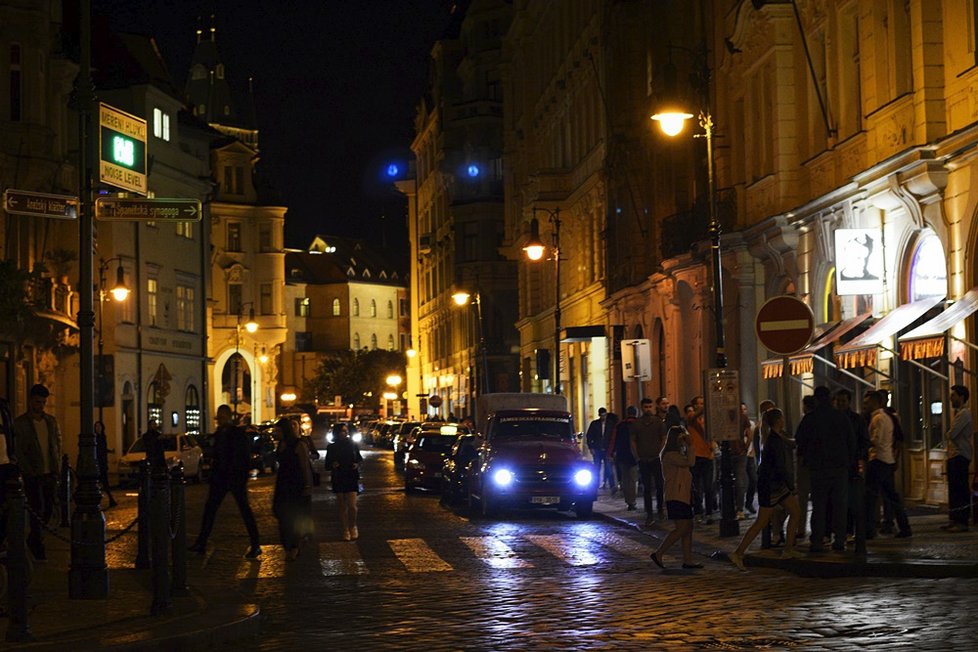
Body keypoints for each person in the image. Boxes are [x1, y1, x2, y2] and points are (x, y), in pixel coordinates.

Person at [729, 408, 804, 570]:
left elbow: (789, 445)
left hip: (774, 485)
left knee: (795, 512)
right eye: (782, 417)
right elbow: (779, 466)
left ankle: (788, 549)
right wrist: (790, 484)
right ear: (779, 420)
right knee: (761, 521)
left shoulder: (774, 437)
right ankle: (738, 553)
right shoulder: (774, 440)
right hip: (773, 486)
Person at [189, 404, 262, 558]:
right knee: (210, 510)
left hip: (234, 477)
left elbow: (244, 456)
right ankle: (201, 542)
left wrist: (241, 477)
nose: (220, 421)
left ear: (228, 417)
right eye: (219, 418)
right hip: (220, 478)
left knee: (244, 510)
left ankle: (256, 544)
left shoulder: (236, 434)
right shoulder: (220, 433)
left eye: (222, 417)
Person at [796, 386, 855, 552]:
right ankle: (840, 539)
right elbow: (851, 441)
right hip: (839, 467)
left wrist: (808, 457)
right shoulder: (840, 417)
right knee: (839, 505)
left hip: (818, 468)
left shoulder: (810, 419)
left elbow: (800, 440)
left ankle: (818, 540)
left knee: (819, 505)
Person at [13, 383, 62, 561]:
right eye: (36, 402)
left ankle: (34, 540)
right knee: (36, 508)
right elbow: (19, 450)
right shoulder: (21, 424)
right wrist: (28, 470)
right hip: (33, 474)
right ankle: (37, 545)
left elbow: (56, 445)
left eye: (42, 402)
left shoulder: (50, 422)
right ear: (30, 401)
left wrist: (57, 469)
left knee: (48, 509)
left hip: (49, 473)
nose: (39, 405)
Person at [649, 426, 701, 569]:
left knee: (688, 527)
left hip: (683, 494)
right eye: (681, 438)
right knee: (681, 528)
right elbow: (691, 462)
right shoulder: (670, 455)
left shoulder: (676, 454)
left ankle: (688, 560)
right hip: (676, 495)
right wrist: (690, 445)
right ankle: (659, 553)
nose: (683, 441)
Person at [863, 390, 911, 539]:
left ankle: (869, 530)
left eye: (867, 402)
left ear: (875, 402)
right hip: (886, 460)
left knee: (871, 497)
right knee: (891, 496)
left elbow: (876, 440)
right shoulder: (885, 417)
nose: (865, 405)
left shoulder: (879, 418)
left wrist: (865, 441)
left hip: (878, 460)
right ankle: (904, 527)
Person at [272, 417, 313, 560]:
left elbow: (305, 466)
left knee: (293, 516)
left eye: (278, 430)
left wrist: (307, 485)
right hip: (283, 483)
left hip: (296, 483)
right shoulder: (281, 444)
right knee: (281, 514)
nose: (275, 433)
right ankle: (288, 544)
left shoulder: (299, 444)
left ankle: (294, 545)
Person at [325, 422, 363, 541]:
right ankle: (345, 529)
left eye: (346, 431)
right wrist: (333, 464)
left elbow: (359, 458)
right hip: (339, 476)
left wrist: (357, 464)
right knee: (342, 506)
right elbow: (327, 464)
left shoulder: (352, 444)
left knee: (352, 506)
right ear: (337, 433)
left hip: (351, 475)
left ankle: (353, 526)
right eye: (342, 431)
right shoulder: (331, 447)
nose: (345, 433)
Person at [632, 397, 666, 525]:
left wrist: (660, 452)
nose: (648, 409)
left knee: (659, 485)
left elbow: (663, 438)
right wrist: (637, 455)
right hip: (644, 459)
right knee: (647, 487)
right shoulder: (637, 423)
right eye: (646, 407)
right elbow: (633, 440)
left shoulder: (658, 422)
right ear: (642, 408)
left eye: (650, 407)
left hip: (656, 458)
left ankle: (660, 510)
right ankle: (649, 513)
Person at [943, 385, 972, 532]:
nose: (951, 398)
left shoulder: (964, 414)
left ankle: (962, 521)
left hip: (960, 455)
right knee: (954, 489)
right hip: (954, 455)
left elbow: (951, 434)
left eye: (953, 395)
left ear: (961, 397)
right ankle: (954, 519)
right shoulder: (958, 413)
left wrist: (949, 433)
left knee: (960, 489)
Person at [686, 395, 715, 524]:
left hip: (707, 455)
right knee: (696, 486)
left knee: (709, 486)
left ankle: (709, 512)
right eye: (700, 403)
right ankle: (698, 511)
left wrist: (713, 449)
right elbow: (694, 416)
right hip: (695, 456)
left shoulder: (708, 419)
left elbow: (712, 434)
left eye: (703, 403)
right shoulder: (691, 417)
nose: (702, 405)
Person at [607, 407, 638, 510]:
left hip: (622, 455)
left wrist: (610, 453)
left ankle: (628, 500)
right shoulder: (638, 424)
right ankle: (632, 501)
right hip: (635, 455)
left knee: (625, 478)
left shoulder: (620, 425)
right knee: (633, 479)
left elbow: (613, 440)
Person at [585, 407, 612, 489]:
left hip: (607, 449)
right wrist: (591, 447)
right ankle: (595, 484)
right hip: (597, 449)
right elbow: (589, 436)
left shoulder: (610, 424)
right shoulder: (594, 424)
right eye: (602, 415)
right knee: (597, 468)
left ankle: (608, 484)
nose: (603, 417)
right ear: (599, 415)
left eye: (604, 415)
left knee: (608, 467)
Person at [733, 403, 751, 520]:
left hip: (739, 452)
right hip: (734, 452)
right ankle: (737, 507)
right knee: (738, 481)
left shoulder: (743, 417)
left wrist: (745, 447)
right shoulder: (742, 417)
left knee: (740, 481)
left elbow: (749, 433)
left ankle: (739, 508)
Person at [94, 420, 118, 508]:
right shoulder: (95, 437)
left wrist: (109, 451)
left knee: (104, 482)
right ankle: (108, 500)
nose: (98, 428)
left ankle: (109, 499)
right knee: (100, 483)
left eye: (99, 426)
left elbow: (103, 449)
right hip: (97, 462)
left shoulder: (103, 437)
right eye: (96, 426)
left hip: (102, 462)